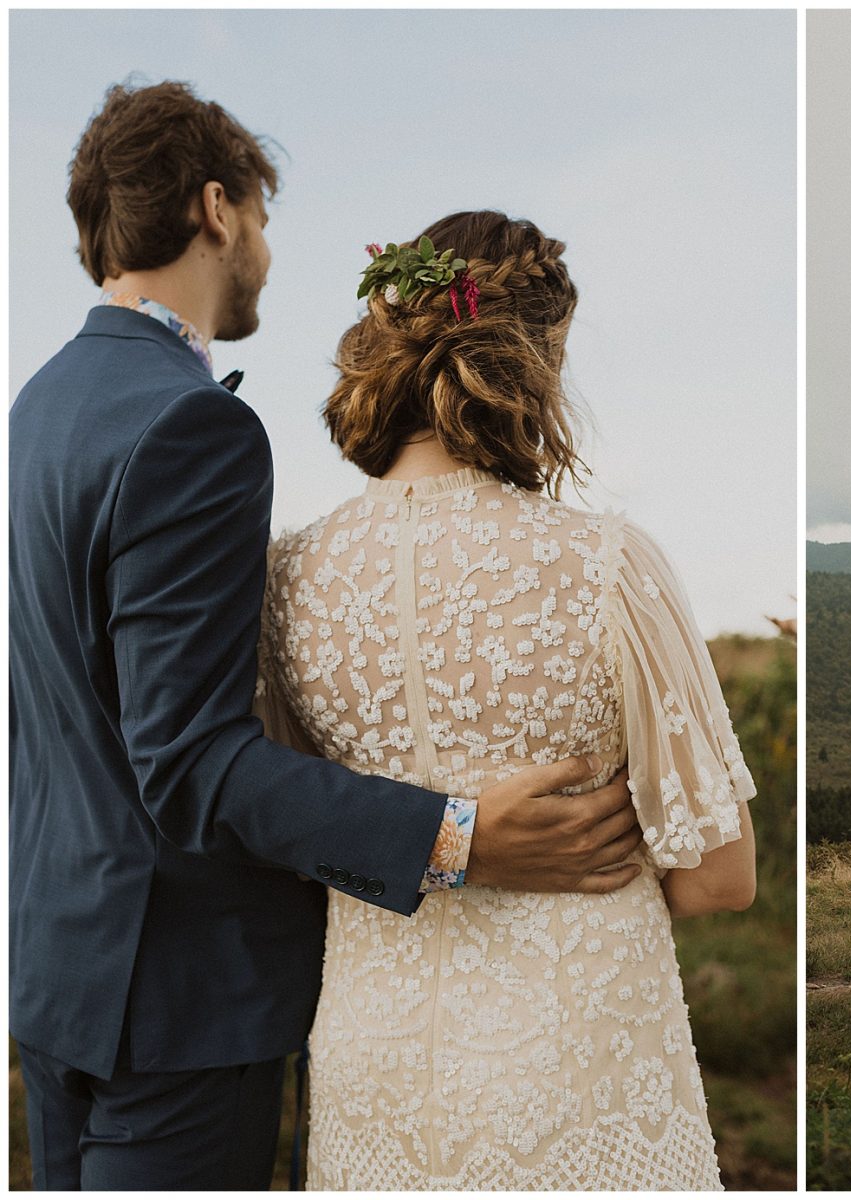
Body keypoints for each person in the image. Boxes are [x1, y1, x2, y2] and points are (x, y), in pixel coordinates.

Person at [9, 82, 642, 1191]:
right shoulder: (192, 424)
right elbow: (190, 764)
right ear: (217, 208)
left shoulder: (39, 409)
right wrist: (454, 836)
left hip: (55, 980)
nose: (260, 248)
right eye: (259, 217)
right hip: (185, 1008)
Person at [254, 209, 758, 1188]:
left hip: (374, 1071)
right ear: (529, 361)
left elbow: (291, 829)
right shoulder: (606, 563)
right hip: (577, 1074)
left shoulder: (286, 578)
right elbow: (717, 878)